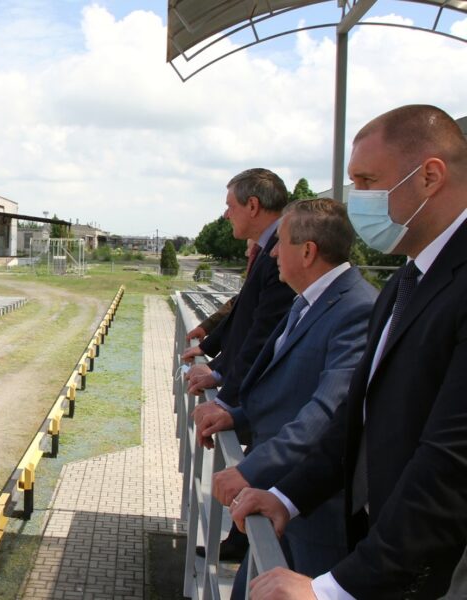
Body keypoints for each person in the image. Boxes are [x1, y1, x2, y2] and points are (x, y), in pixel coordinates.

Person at [232, 104, 467, 599]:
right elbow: (355, 416)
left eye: (366, 181)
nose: (356, 198)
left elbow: (450, 463)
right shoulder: (407, 280)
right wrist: (286, 496)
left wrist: (335, 589)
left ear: (430, 177)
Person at [198, 198, 377, 586]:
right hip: (278, 496)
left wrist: (249, 470)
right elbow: (285, 389)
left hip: (315, 510)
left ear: (308, 251)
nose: (274, 252)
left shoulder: (357, 310)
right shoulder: (309, 300)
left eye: (280, 241)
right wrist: (235, 417)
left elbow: (327, 412)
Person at [184, 169, 295, 406]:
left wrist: (222, 400)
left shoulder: (279, 253)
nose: (226, 215)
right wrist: (212, 358)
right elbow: (244, 308)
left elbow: (263, 332)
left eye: (230, 206)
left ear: (253, 206)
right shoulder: (267, 248)